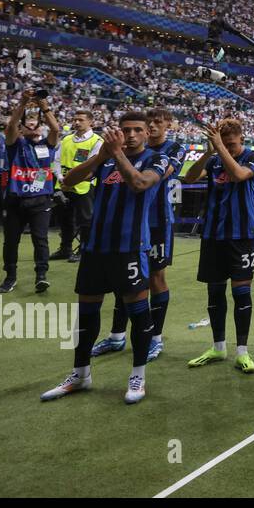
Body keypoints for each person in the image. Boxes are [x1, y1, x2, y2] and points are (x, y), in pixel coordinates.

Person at [40, 112, 166, 404]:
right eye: (125, 130)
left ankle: (138, 375)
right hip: (96, 248)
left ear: (147, 133)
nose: (131, 135)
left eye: (137, 130)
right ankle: (80, 374)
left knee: (138, 313)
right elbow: (69, 182)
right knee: (86, 312)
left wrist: (117, 153)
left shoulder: (155, 159)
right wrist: (100, 157)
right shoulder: (106, 159)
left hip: (131, 248)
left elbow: (139, 184)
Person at [90, 108, 188, 361]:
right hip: (126, 221)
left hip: (156, 221)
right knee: (122, 281)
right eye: (150, 122)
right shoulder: (124, 149)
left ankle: (155, 337)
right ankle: (116, 335)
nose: (154, 126)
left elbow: (160, 175)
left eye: (158, 122)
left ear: (167, 125)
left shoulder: (173, 150)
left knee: (155, 277)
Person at [183, 118, 254, 374]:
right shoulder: (214, 158)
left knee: (241, 293)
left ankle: (242, 351)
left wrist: (220, 148)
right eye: (224, 144)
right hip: (212, 235)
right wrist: (209, 152)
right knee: (215, 293)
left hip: (241, 236)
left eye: (231, 144)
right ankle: (218, 346)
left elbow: (240, 175)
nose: (227, 149)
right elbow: (189, 177)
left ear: (241, 137)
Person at [0, 90, 60, 294]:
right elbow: (10, 126)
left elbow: (55, 128)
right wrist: (23, 104)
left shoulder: (47, 145)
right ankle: (10, 276)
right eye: (29, 125)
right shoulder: (15, 145)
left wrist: (44, 106)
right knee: (11, 241)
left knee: (40, 240)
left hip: (41, 201)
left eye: (37, 124)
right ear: (22, 130)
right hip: (15, 201)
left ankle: (41, 276)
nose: (34, 127)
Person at [51, 110, 102, 263]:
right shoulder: (66, 139)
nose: (77, 122)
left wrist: (69, 181)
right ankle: (65, 249)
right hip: (63, 185)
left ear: (90, 122)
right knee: (65, 219)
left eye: (81, 119)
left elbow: (94, 166)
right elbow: (56, 161)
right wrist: (61, 178)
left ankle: (84, 249)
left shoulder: (97, 141)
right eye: (75, 119)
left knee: (85, 220)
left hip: (84, 187)